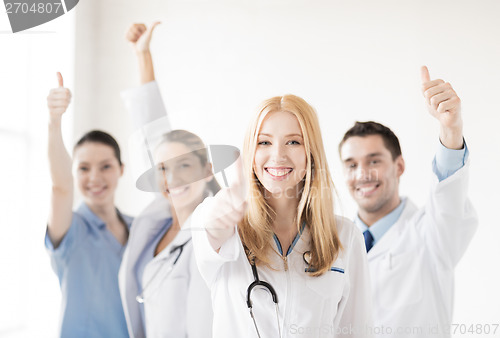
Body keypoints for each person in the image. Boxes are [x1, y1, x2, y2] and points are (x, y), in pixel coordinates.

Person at [191, 94, 373, 338]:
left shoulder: (346, 236)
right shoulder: (223, 224)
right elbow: (209, 228)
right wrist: (219, 219)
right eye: (264, 142)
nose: (278, 155)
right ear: (250, 153)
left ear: (311, 153)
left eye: (294, 142)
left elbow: (356, 331)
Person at [338, 66, 478, 338]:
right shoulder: (331, 242)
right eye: (351, 164)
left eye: (374, 161)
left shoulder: (431, 233)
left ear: (399, 166)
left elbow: (449, 198)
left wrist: (451, 130)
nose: (362, 174)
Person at [118, 22, 217, 338]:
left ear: (207, 170)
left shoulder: (217, 230)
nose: (172, 177)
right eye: (163, 168)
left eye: (185, 165)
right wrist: (142, 55)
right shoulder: (157, 221)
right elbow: (152, 135)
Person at [45, 72, 132, 337]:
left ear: (121, 170)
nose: (94, 178)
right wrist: (54, 122)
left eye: (105, 166)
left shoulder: (139, 228)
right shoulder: (71, 228)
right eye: (83, 168)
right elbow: (60, 187)